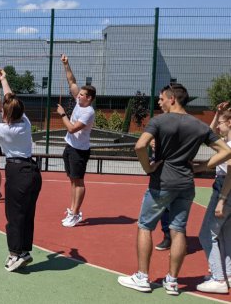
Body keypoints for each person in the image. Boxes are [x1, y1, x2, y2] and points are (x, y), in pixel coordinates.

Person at [118, 83, 231, 296]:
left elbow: (140, 146)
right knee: (178, 230)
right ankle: (172, 281)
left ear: (172, 99)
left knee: (144, 225)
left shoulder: (159, 121)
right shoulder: (199, 125)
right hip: (186, 184)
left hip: (162, 183)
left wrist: (148, 167)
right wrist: (201, 166)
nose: (159, 103)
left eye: (161, 99)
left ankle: (142, 277)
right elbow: (225, 151)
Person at [0, 69, 42, 272]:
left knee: (13, 216)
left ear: (6, 113)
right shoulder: (25, 122)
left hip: (17, 172)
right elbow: (12, 99)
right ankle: (24, 251)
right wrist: (4, 80)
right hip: (32, 172)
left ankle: (14, 254)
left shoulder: (5, 130)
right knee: (26, 215)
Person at [195, 102, 231, 294]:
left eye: (222, 122)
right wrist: (217, 114)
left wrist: (222, 198)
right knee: (225, 234)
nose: (218, 126)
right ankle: (228, 274)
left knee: (207, 234)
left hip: (225, 188)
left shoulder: (230, 145)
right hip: (225, 187)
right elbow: (208, 134)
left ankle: (218, 278)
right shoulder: (226, 142)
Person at [56, 54, 95, 227]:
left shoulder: (88, 112)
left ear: (89, 98)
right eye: (79, 94)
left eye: (82, 95)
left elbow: (72, 128)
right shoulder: (79, 104)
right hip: (70, 147)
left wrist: (63, 114)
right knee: (72, 180)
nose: (78, 96)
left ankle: (77, 213)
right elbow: (71, 81)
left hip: (79, 150)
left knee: (78, 182)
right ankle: (72, 210)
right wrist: (66, 63)